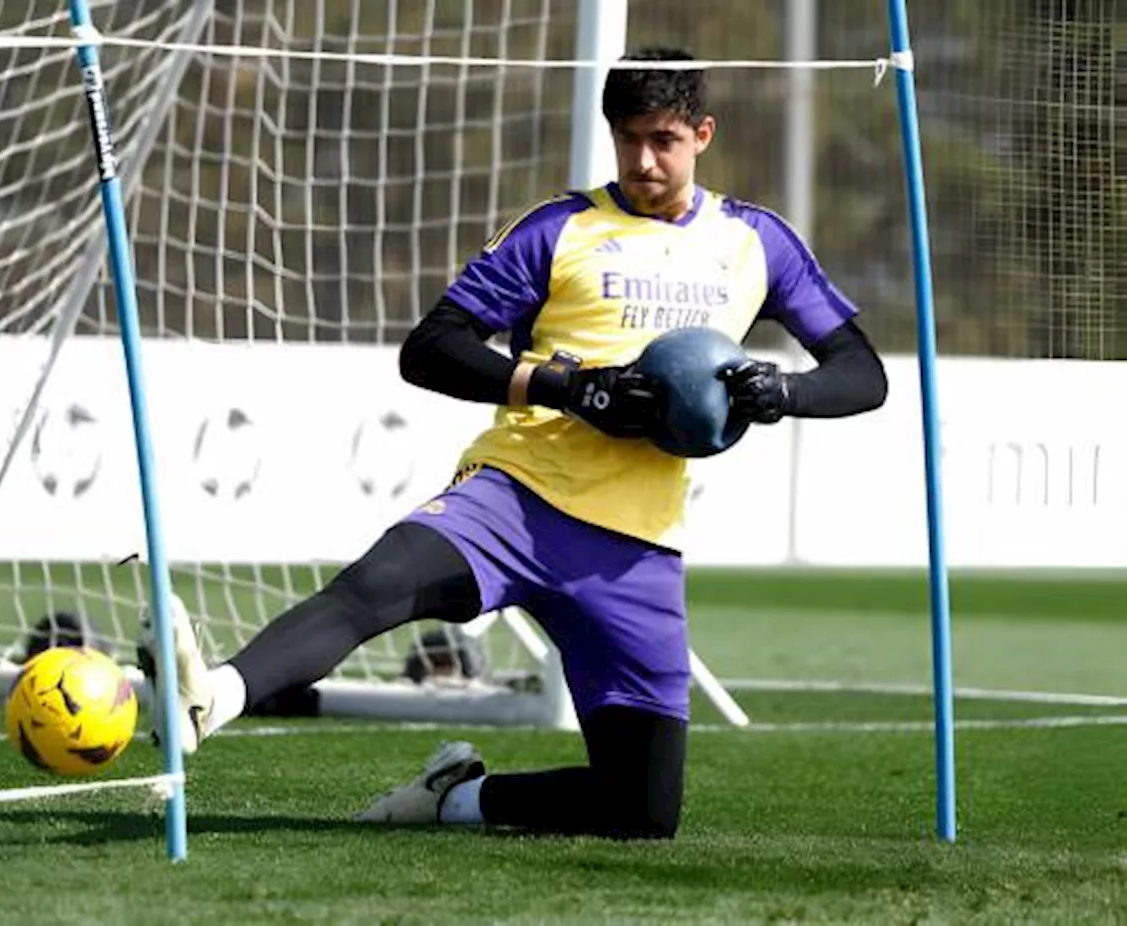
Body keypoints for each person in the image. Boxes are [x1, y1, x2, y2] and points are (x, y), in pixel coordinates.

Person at [139, 47, 888, 839]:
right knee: (373, 587)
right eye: (628, 138)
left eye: (664, 139)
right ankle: (209, 699)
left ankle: (456, 798)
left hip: (636, 549)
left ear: (702, 134)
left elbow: (861, 373)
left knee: (641, 812)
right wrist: (566, 386)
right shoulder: (558, 230)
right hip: (519, 495)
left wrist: (782, 392)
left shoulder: (755, 242)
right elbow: (431, 348)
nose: (643, 160)